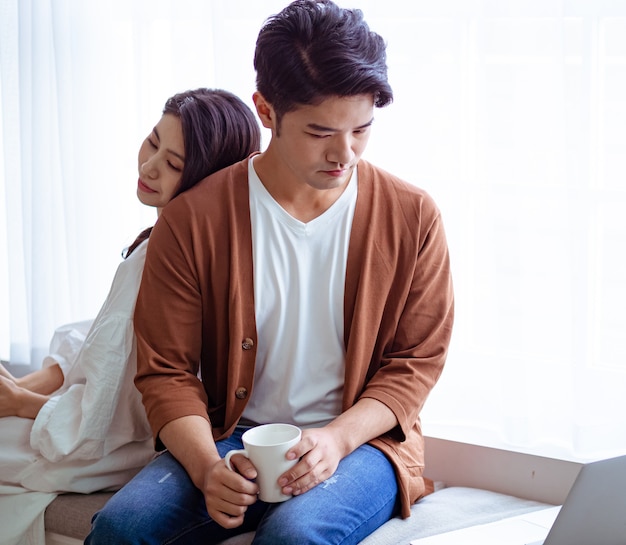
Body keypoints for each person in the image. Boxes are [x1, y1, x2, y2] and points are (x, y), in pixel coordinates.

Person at [86, 1, 455, 544]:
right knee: (122, 529)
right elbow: (166, 372)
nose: (344, 153)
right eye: (319, 131)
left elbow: (416, 363)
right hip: (234, 436)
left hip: (361, 445)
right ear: (265, 109)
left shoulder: (413, 215)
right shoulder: (194, 218)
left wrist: (336, 440)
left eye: (362, 129)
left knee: (294, 536)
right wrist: (208, 467)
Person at [0, 88, 261, 545]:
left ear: (208, 180)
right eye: (153, 140)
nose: (149, 165)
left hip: (108, 448)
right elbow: (105, 338)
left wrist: (21, 403)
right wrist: (35, 383)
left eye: (175, 163)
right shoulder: (180, 243)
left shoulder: (161, 259)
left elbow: (98, 426)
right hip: (105, 428)